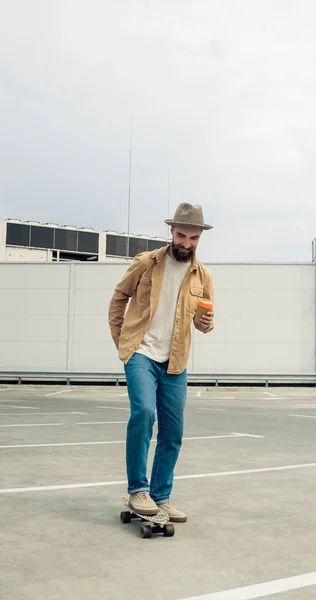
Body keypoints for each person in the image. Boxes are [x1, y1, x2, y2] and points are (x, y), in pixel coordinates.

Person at [108, 203, 214, 522]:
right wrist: (123, 342)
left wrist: (206, 323)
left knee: (173, 431)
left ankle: (161, 496)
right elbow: (118, 299)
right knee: (143, 412)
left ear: (199, 237)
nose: (186, 243)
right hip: (141, 351)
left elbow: (203, 322)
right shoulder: (146, 262)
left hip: (175, 361)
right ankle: (137, 489)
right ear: (171, 232)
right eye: (181, 235)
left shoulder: (203, 275)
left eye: (193, 238)